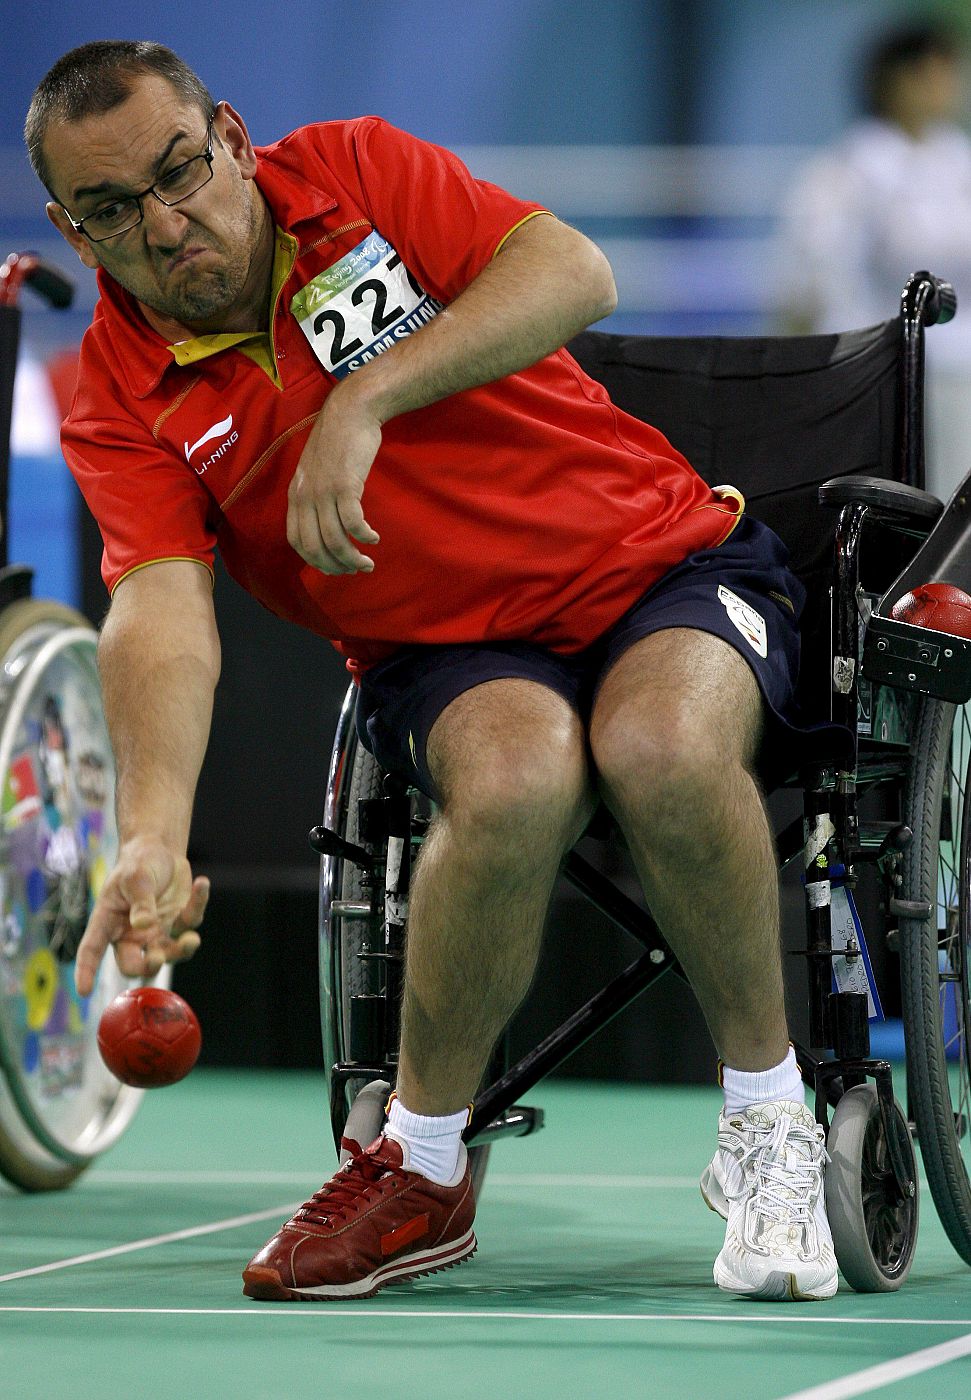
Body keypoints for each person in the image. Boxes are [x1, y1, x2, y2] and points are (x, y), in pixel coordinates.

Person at [26, 40, 836, 1304]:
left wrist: (367, 401)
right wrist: (151, 834)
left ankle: (766, 1121)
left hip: (655, 567)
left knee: (662, 746)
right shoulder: (120, 396)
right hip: (448, 650)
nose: (165, 221)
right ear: (74, 233)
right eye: (114, 211)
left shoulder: (353, 174)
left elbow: (573, 268)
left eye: (180, 172)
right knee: (508, 781)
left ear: (232, 138)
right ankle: (420, 1163)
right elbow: (161, 607)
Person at [774, 20, 971, 502]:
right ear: (895, 81)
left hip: (960, 365)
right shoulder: (850, 167)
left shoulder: (959, 159)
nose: (947, 85)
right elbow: (809, 274)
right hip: (881, 365)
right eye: (931, 72)